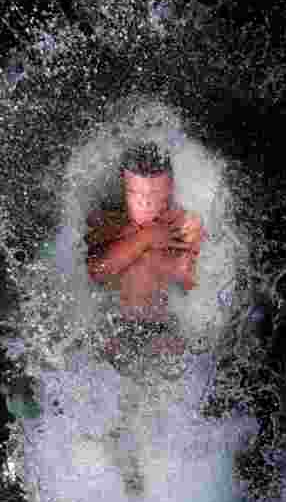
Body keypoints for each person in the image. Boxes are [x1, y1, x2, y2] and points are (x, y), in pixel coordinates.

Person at [85, 142, 203, 359]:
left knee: (177, 354)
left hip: (164, 327)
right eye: (135, 194)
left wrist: (185, 255)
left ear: (170, 191)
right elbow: (97, 271)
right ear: (124, 190)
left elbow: (196, 285)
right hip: (117, 324)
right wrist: (145, 238)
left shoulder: (183, 227)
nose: (146, 203)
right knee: (100, 349)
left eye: (156, 194)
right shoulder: (109, 223)